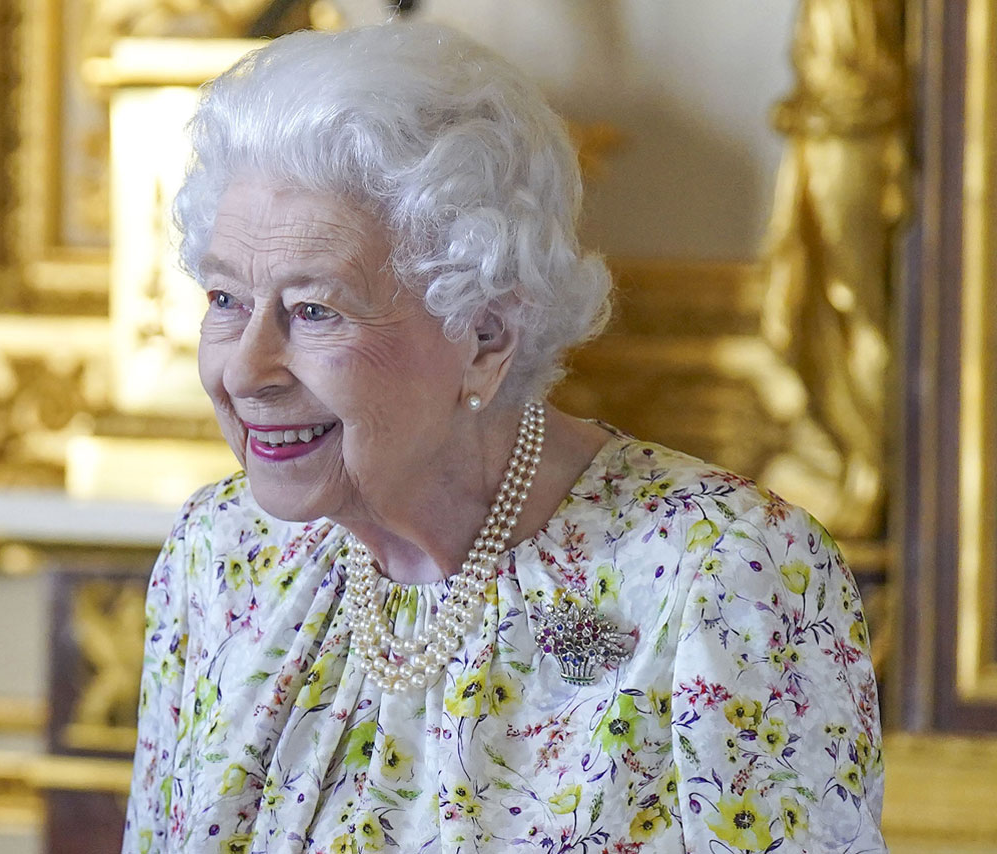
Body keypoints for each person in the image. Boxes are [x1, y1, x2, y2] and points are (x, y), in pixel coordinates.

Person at [123, 22, 885, 854]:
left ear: (485, 335)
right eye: (226, 300)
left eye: (314, 310)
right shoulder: (221, 555)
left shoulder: (726, 576)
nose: (245, 370)